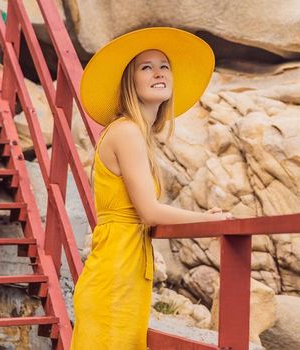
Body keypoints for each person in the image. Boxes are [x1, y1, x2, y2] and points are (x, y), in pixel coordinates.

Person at [70, 27, 231, 349]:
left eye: (164, 66)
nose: (158, 73)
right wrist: (209, 220)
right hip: (116, 270)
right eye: (146, 67)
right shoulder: (127, 132)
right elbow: (149, 211)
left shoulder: (134, 134)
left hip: (124, 264)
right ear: (131, 81)